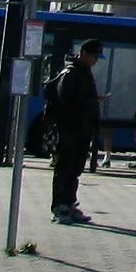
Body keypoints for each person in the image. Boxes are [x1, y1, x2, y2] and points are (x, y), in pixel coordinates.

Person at [48, 40, 103, 225]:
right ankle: (59, 206)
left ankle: (70, 203)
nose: (96, 61)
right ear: (84, 53)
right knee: (64, 167)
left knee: (75, 168)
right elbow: (66, 102)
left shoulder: (85, 72)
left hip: (83, 128)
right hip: (69, 128)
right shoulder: (71, 73)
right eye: (94, 56)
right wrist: (89, 103)